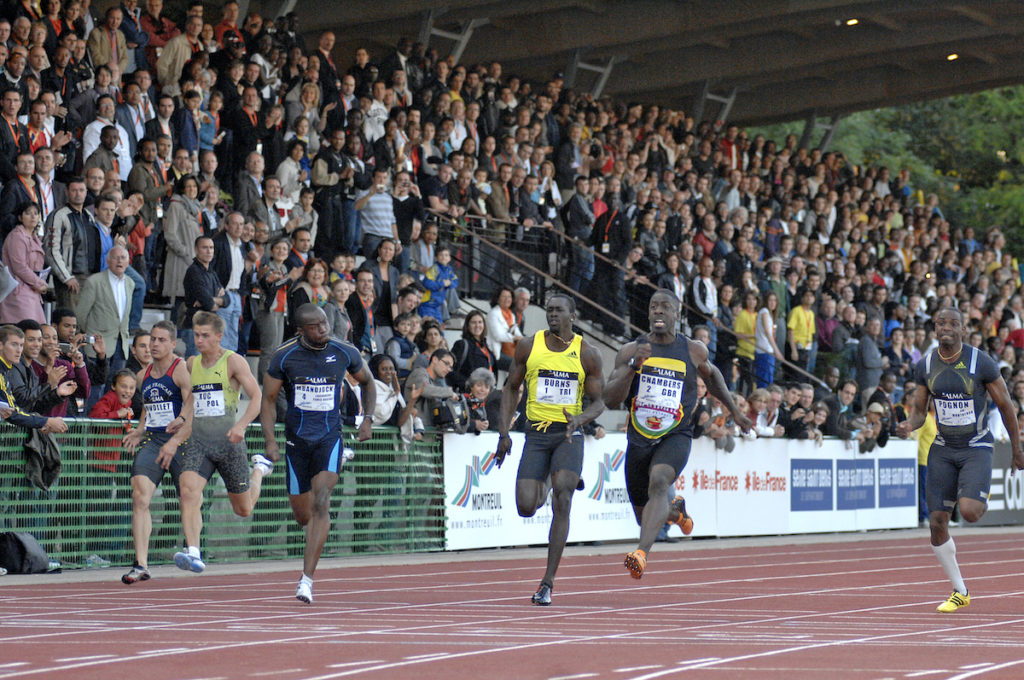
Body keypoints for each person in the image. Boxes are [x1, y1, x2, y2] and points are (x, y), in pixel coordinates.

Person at [602, 289, 753, 580]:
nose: (659, 311)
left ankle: (641, 554)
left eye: (665, 307)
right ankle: (675, 512)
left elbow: (714, 376)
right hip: (639, 436)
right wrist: (634, 368)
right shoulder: (630, 351)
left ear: (677, 313)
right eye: (653, 307)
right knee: (644, 516)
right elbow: (610, 399)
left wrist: (734, 410)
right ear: (648, 314)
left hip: (676, 433)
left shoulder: (693, 349)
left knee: (659, 481)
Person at [897, 307, 1024, 613]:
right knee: (937, 522)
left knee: (969, 512)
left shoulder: (981, 362)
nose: (947, 328)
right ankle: (960, 590)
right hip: (942, 447)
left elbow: (1006, 406)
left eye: (954, 323)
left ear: (963, 330)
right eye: (942, 323)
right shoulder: (926, 364)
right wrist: (909, 425)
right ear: (934, 328)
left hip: (976, 446)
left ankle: (976, 489)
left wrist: (1018, 450)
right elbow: (918, 408)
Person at [495, 294, 605, 606]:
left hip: (569, 435)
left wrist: (581, 418)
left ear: (573, 314)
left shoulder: (588, 353)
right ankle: (553, 477)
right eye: (549, 311)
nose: (552, 315)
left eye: (559, 310)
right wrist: (504, 433)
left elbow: (600, 401)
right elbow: (511, 388)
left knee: (563, 498)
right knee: (526, 506)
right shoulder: (530, 346)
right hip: (537, 436)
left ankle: (547, 582)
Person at [260, 304, 375, 603]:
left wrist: (368, 419)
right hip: (297, 442)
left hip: (328, 437)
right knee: (303, 516)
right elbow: (269, 400)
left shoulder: (344, 351)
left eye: (325, 323)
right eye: (316, 326)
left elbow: (368, 382)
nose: (324, 329)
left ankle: (306, 580)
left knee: (322, 502)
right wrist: (270, 441)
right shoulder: (284, 356)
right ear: (301, 330)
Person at [174, 311, 271, 573]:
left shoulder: (233, 362)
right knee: (188, 490)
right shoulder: (192, 363)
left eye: (205, 335)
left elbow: (257, 396)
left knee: (243, 509)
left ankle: (260, 469)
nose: (199, 340)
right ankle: (193, 551)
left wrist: (241, 425)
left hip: (229, 441)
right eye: (196, 335)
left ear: (219, 336)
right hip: (201, 441)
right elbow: (194, 398)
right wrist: (182, 418)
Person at [119, 320, 191, 584]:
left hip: (181, 440)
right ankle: (141, 564)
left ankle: (193, 548)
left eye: (161, 340)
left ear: (173, 343)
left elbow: (192, 401)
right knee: (140, 495)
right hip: (153, 439)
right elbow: (149, 407)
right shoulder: (143, 376)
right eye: (153, 339)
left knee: (189, 497)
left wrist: (183, 420)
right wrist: (139, 429)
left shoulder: (181, 369)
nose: (155, 345)